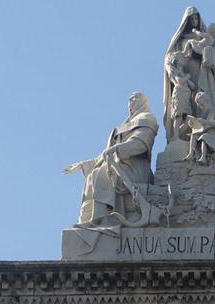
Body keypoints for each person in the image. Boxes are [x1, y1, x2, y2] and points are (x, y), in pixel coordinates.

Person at [63, 92, 158, 227]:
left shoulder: (147, 119)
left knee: (100, 175)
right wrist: (84, 165)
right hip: (117, 166)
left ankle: (99, 220)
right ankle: (88, 219)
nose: (130, 101)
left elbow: (140, 144)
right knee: (92, 175)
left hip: (134, 169)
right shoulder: (126, 123)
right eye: (129, 99)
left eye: (134, 98)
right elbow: (105, 154)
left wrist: (116, 150)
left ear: (143, 101)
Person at [163, 7, 215, 142]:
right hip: (186, 76)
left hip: (204, 75)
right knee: (185, 106)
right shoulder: (180, 40)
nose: (194, 21)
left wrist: (207, 52)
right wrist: (172, 65)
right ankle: (181, 137)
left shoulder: (207, 36)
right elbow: (169, 57)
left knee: (203, 103)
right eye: (191, 19)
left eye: (196, 18)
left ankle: (202, 135)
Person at [183, 91, 215, 166]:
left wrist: (204, 122)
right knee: (194, 135)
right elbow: (205, 128)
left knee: (204, 137)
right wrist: (195, 125)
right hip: (208, 134)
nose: (201, 108)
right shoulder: (208, 115)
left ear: (207, 101)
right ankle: (191, 154)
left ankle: (203, 157)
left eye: (202, 105)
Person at [164, 50, 195, 140]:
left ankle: (177, 135)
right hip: (179, 92)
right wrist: (187, 77)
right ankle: (176, 136)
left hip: (186, 94)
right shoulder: (173, 71)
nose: (184, 59)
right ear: (176, 60)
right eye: (181, 58)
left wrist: (186, 78)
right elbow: (179, 81)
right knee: (178, 116)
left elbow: (192, 86)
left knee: (188, 118)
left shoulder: (183, 73)